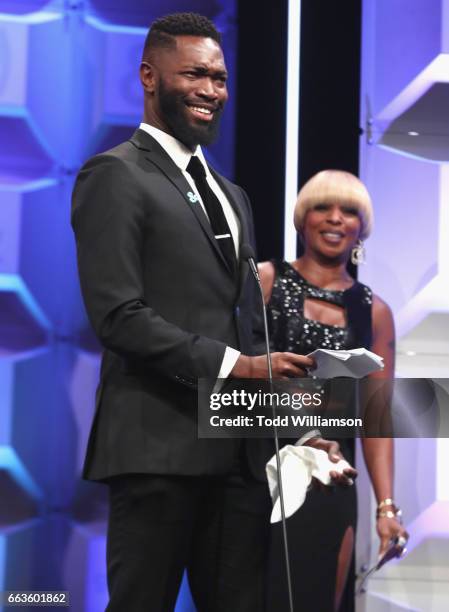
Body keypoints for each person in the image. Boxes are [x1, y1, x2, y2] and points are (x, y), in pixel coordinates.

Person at [71, 14, 355, 612]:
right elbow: (119, 315)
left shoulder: (234, 195)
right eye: (195, 74)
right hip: (157, 449)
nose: (210, 90)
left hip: (238, 456)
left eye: (220, 78)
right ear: (149, 76)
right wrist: (235, 367)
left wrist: (297, 429)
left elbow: (250, 333)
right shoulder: (114, 175)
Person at [259, 170, 409, 612]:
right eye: (323, 207)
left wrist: (386, 508)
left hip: (330, 482)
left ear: (362, 228)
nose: (335, 219)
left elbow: (376, 417)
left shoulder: (375, 312)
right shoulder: (265, 281)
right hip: (255, 475)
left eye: (349, 212)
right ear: (302, 219)